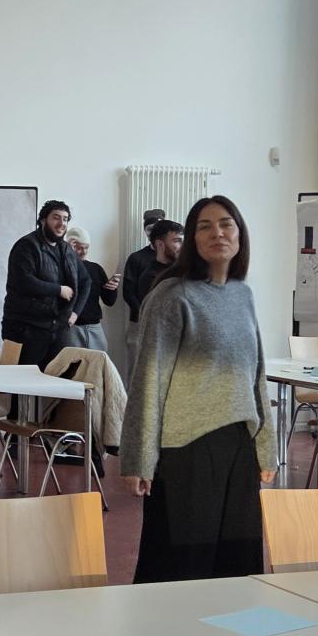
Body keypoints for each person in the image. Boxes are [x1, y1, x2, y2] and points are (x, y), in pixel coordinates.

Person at [121, 195, 275, 582]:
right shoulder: (172, 295)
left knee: (237, 568)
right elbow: (148, 379)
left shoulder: (242, 294)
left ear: (240, 234)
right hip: (186, 451)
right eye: (204, 227)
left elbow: (256, 375)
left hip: (238, 447)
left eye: (225, 224)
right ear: (191, 239)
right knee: (181, 570)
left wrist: (265, 448)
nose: (216, 233)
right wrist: (138, 458)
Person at [1, 200, 80, 370]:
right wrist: (58, 290)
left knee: (56, 378)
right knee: (21, 380)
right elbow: (23, 281)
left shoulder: (66, 249)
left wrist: (75, 312)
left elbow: (85, 281)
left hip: (56, 327)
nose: (61, 223)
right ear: (43, 220)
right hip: (24, 327)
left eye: (65, 219)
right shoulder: (26, 245)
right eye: (56, 218)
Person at [62, 228, 118, 353]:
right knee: (71, 364)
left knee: (99, 363)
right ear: (70, 246)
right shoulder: (62, 268)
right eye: (79, 248)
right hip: (71, 328)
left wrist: (112, 288)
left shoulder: (96, 269)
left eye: (86, 247)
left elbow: (109, 301)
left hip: (94, 327)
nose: (84, 252)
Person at [119, 210, 173, 323]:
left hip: (168, 319)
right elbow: (128, 292)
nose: (153, 232)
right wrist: (143, 312)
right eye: (149, 229)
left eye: (157, 228)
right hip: (140, 319)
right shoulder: (136, 258)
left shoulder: (174, 257)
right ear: (145, 231)